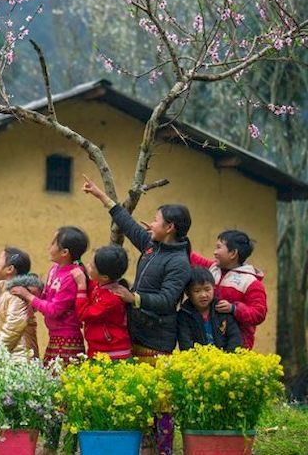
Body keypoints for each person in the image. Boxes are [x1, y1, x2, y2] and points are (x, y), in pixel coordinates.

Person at [82, 175, 192, 455]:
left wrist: (135, 298)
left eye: (156, 220)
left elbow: (167, 300)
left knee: (161, 402)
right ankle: (143, 446)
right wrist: (100, 195)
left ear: (170, 228)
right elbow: (128, 224)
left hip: (158, 340)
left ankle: (163, 450)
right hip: (136, 333)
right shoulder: (152, 246)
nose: (150, 224)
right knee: (138, 397)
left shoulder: (179, 262)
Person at [12, 226, 88, 455]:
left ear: (65, 252)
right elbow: (46, 297)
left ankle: (69, 447)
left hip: (69, 342)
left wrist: (28, 296)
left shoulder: (73, 276)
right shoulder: (54, 270)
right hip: (55, 341)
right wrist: (34, 295)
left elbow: (54, 309)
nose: (49, 246)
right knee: (52, 396)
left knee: (69, 398)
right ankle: (51, 446)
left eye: (53, 243)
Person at [190, 230, 266, 349]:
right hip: (208, 341)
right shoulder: (212, 269)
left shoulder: (251, 282)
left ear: (233, 253)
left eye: (219, 247)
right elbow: (192, 258)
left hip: (238, 346)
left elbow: (259, 313)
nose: (215, 252)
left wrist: (234, 309)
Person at [0, 247, 40, 362]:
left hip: (19, 361)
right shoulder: (0, 294)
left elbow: (11, 331)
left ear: (10, 269)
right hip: (2, 359)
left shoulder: (17, 296)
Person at [73, 245, 132, 360]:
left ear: (105, 277)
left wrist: (81, 286)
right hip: (98, 349)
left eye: (92, 266)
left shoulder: (112, 299)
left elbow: (83, 314)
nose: (88, 267)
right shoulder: (100, 284)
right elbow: (90, 284)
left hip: (112, 353)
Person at [177, 268, 242, 351]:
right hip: (197, 358)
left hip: (225, 357)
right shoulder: (184, 315)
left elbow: (234, 337)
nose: (203, 295)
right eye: (197, 291)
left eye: (207, 289)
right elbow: (185, 344)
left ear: (214, 288)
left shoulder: (222, 309)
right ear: (188, 293)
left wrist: (228, 356)